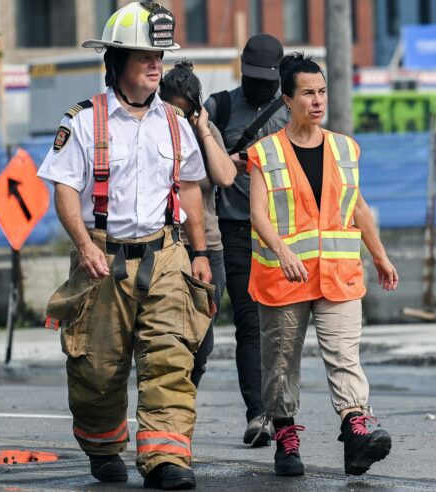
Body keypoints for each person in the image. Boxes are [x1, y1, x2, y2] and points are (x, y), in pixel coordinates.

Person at [37, 3, 214, 489]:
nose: (156, 65)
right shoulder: (83, 120)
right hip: (102, 257)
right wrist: (83, 245)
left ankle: (166, 460)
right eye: (144, 56)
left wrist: (199, 254)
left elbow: (192, 188)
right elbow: (64, 189)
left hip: (166, 255)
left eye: (158, 55)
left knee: (170, 359)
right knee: (96, 370)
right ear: (115, 62)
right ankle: (101, 442)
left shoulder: (175, 125)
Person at [247, 53, 399, 478]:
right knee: (280, 363)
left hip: (338, 273)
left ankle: (356, 430)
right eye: (308, 93)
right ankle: (285, 434)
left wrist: (381, 255)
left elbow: (358, 206)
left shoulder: (345, 148)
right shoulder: (266, 152)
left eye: (322, 92)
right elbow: (258, 214)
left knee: (344, 355)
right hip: (284, 277)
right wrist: (282, 251)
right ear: (287, 99)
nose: (317, 101)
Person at [203, 33, 289, 447]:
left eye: (266, 79)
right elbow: (190, 160)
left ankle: (282, 414)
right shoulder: (218, 107)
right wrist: (226, 163)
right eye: (252, 77)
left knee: (283, 330)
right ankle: (258, 415)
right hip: (234, 229)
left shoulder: (291, 112)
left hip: (282, 236)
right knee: (249, 325)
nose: (258, 86)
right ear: (242, 71)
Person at [159, 60, 236, 387]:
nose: (179, 120)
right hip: (165, 244)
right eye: (172, 111)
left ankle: (188, 390)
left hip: (207, 246)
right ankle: (169, 398)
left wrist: (203, 129)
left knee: (203, 336)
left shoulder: (203, 132)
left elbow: (225, 177)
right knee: (167, 330)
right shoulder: (153, 131)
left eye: (185, 113)